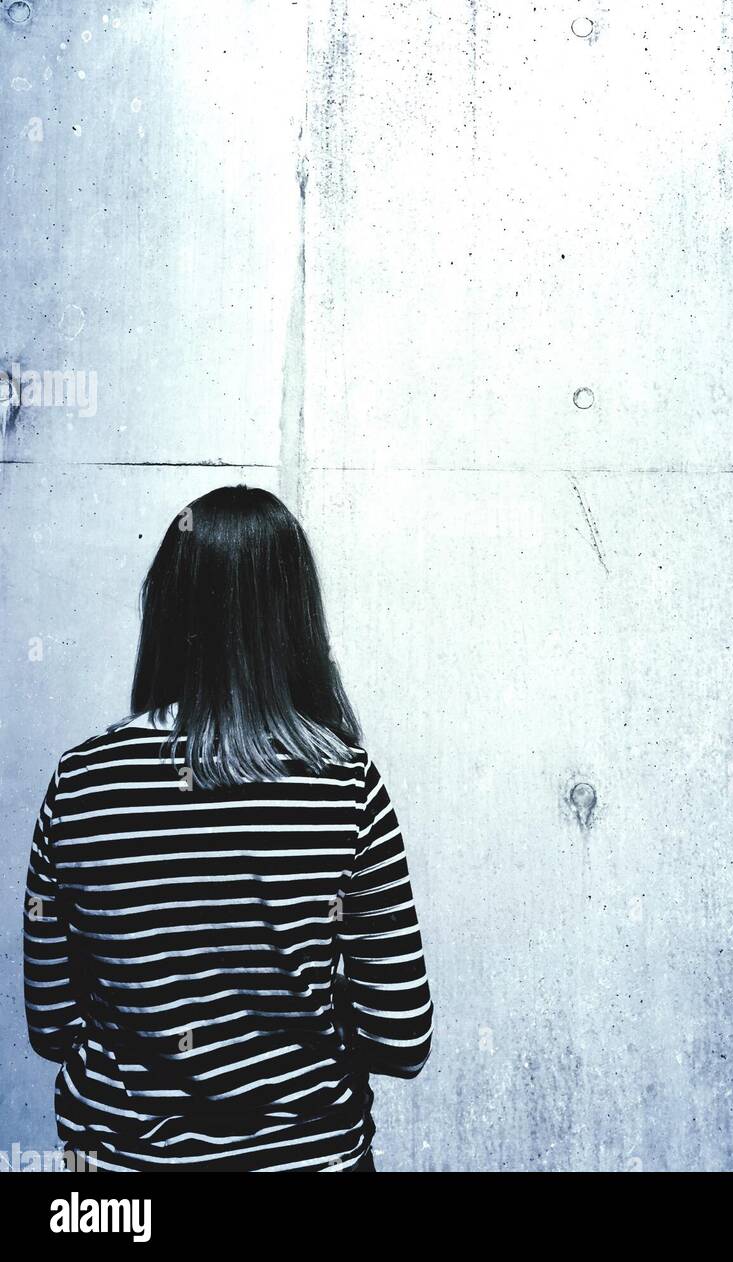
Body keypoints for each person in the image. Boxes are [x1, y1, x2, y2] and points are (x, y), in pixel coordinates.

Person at [23, 485, 433, 1171]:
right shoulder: (344, 783)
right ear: (296, 615)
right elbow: (399, 1033)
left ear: (168, 606)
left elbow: (52, 1024)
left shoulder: (82, 780)